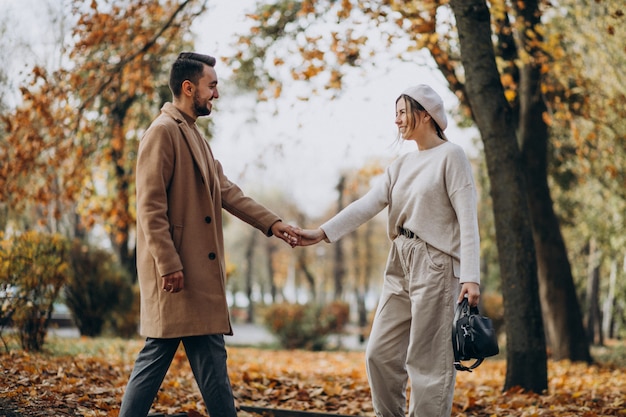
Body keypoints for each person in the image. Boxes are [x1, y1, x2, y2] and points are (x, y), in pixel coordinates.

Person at [119, 52, 299, 417]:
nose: (216, 93)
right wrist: (168, 264)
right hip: (177, 275)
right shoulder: (163, 132)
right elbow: (150, 209)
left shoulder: (193, 135)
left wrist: (274, 224)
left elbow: (227, 191)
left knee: (211, 362)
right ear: (189, 88)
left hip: (194, 277)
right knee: (157, 357)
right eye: (211, 85)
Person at [295, 85, 481, 417]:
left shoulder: (451, 156)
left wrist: (471, 277)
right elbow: (367, 205)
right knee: (378, 354)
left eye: (401, 112)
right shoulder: (401, 165)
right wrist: (320, 233)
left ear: (424, 114)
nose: (396, 120)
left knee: (428, 362)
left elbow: (467, 219)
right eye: (395, 113)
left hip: (436, 263)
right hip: (400, 259)